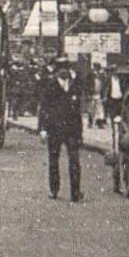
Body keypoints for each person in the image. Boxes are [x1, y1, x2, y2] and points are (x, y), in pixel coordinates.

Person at [39, 55, 84, 202]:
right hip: (54, 129)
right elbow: (44, 108)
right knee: (53, 160)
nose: (64, 71)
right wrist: (43, 129)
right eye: (61, 68)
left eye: (66, 67)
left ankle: (75, 192)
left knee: (74, 161)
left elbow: (78, 112)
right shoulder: (50, 85)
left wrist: (80, 133)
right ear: (57, 71)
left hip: (71, 130)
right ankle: (54, 188)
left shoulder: (74, 86)